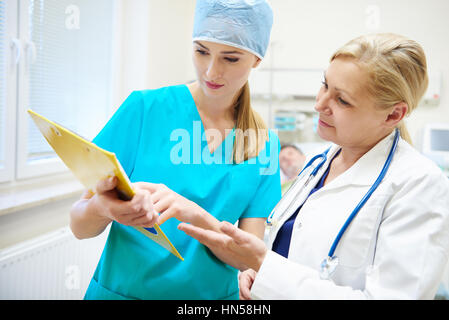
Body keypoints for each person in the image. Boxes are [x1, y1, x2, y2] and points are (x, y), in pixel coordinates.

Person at [179, 33, 449, 299]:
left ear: (393, 114)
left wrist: (264, 265)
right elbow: (286, 257)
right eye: (324, 85)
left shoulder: (418, 185)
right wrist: (256, 275)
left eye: (342, 100)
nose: (319, 104)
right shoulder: (320, 163)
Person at [70, 0, 281, 300]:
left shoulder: (264, 144)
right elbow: (80, 227)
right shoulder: (143, 109)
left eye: (230, 59)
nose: (211, 71)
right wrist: (103, 208)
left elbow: (248, 258)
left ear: (257, 59)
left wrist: (195, 215)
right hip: (122, 292)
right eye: (201, 51)